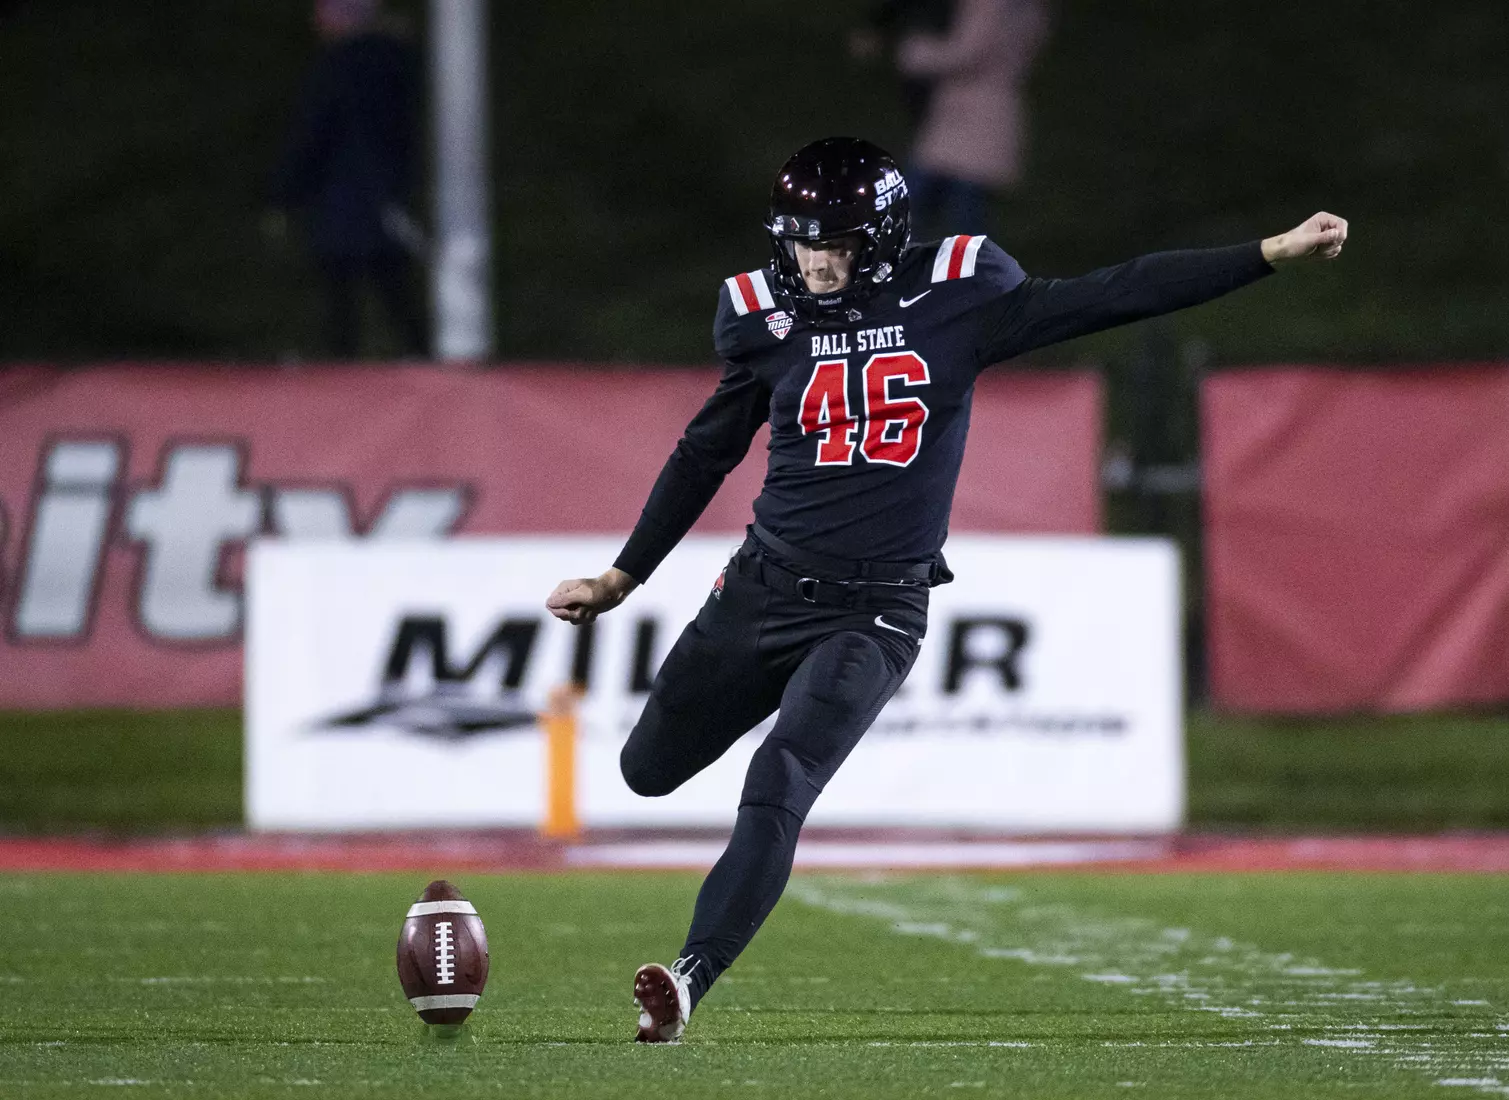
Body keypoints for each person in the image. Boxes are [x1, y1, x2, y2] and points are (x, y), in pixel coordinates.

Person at [545, 137, 1347, 1043]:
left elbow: (1114, 291)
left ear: (883, 239)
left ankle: (689, 979)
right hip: (760, 589)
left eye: (838, 243)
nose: (816, 260)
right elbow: (705, 451)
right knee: (645, 772)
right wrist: (623, 575)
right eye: (803, 239)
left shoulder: (959, 294)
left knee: (781, 777)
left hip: (875, 608)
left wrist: (1267, 255)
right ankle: (693, 944)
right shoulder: (760, 316)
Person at [267, 0, 427, 359]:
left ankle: (341, 371)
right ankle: (425, 360)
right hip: (386, 194)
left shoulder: (337, 67)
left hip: (343, 196)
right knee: (392, 283)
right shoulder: (397, 61)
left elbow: (313, 134)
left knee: (341, 291)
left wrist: (284, 191)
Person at [896, 0, 1050, 238]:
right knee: (951, 206)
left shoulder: (992, 5)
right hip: (986, 115)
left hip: (968, 116)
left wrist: (917, 53)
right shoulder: (1031, 8)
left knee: (946, 207)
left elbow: (968, 51)